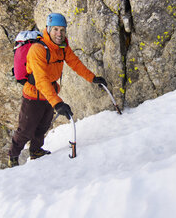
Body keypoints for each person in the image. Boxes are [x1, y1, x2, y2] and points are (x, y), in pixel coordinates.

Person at [8, 13, 107, 167]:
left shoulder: (62, 47)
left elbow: (75, 63)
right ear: (48, 29)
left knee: (43, 125)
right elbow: (40, 80)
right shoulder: (37, 50)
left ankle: (36, 151)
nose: (59, 34)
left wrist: (93, 78)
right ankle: (13, 156)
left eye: (62, 30)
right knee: (26, 130)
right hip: (33, 95)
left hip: (50, 93)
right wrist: (57, 103)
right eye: (55, 29)